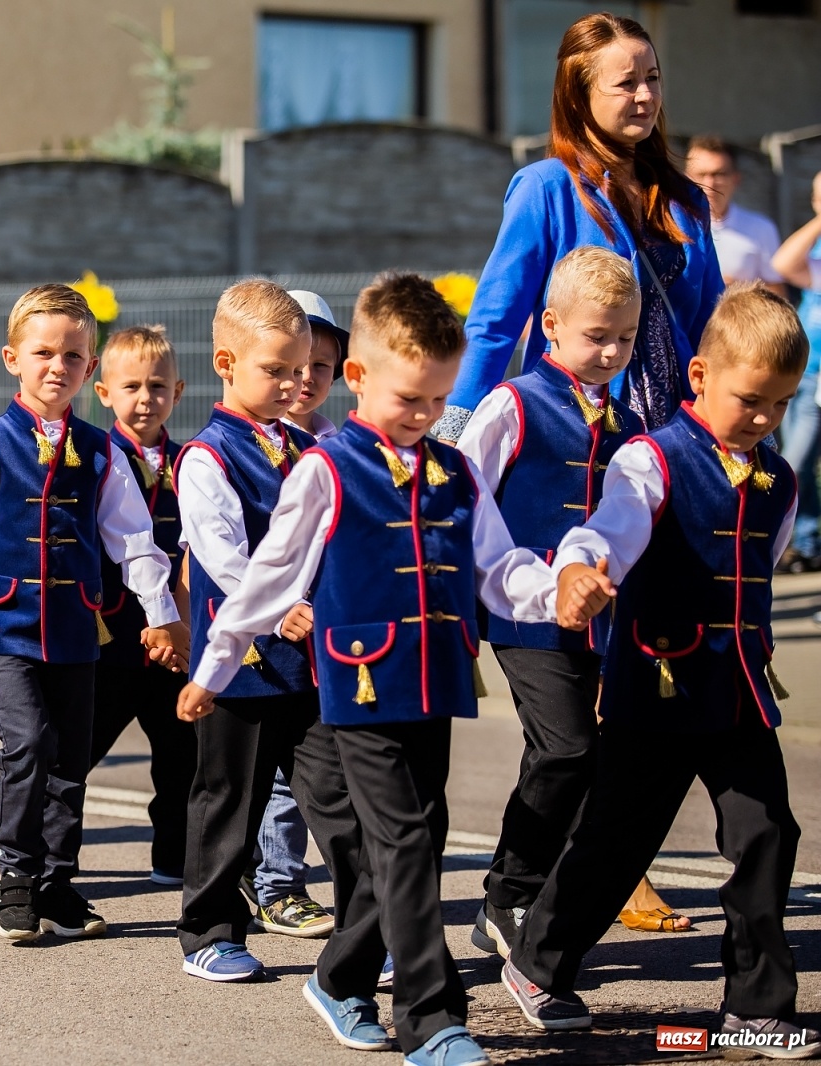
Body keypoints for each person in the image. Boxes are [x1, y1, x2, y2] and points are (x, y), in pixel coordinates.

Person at [180, 274, 572, 1066]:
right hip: (352, 690)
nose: (424, 418)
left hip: (431, 686)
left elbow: (499, 567)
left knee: (419, 840)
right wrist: (214, 668)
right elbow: (262, 578)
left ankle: (338, 975)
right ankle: (433, 1018)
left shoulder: (453, 471)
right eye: (409, 400)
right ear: (357, 377)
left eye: (437, 402)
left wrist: (556, 590)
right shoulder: (326, 467)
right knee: (396, 839)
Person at [502, 285, 818, 1059]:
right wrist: (580, 571)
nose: (763, 419)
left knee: (767, 833)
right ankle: (540, 962)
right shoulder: (651, 458)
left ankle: (756, 1005)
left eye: (780, 405)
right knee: (617, 840)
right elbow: (607, 528)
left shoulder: (779, 478)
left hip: (738, 689)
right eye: (750, 399)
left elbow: (763, 566)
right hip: (657, 685)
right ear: (701, 375)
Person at [0, 287, 186, 941]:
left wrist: (161, 611)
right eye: (42, 353)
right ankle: (14, 877)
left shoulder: (100, 450)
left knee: (68, 757)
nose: (56, 366)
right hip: (3, 626)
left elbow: (131, 540)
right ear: (13, 358)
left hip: (75, 625)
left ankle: (57, 883)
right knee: (27, 743)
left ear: (90, 369)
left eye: (72, 355)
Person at [455, 247, 651, 953]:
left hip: (601, 620)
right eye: (597, 334)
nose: (611, 351)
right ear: (550, 326)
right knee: (565, 747)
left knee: (592, 759)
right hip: (521, 608)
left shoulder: (628, 423)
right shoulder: (512, 403)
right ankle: (507, 896)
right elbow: (463, 491)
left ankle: (532, 898)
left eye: (624, 338)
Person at [439, 12, 722, 441]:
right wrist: (453, 426)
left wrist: (738, 413)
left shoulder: (687, 199)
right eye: (627, 83)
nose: (646, 95)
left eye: (653, 78)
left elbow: (712, 325)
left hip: (680, 434)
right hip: (575, 429)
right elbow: (495, 321)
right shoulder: (544, 189)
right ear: (579, 95)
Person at [170, 279, 339, 982]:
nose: (294, 384)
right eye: (276, 370)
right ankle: (210, 930)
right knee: (227, 798)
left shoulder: (311, 444)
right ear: (226, 363)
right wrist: (278, 609)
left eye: (302, 371)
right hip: (239, 661)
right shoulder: (207, 456)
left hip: (310, 663)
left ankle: (368, 933)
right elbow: (224, 557)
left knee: (337, 799)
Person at [244, 290, 347, 941]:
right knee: (266, 773)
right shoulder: (244, 444)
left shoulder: (341, 443)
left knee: (313, 768)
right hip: (261, 629)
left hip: (326, 627)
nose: (303, 379)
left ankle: (279, 877)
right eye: (289, 364)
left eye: (320, 365)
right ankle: (272, 881)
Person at [79, 324, 194, 888]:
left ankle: (172, 856)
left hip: (172, 636)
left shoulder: (191, 459)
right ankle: (30, 827)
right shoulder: (96, 454)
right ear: (104, 393)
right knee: (82, 744)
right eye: (130, 387)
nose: (144, 399)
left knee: (180, 753)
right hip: (114, 630)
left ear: (178, 390)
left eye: (157, 386)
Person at [772, 169, 821, 575]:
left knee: (795, 462)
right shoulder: (816, 246)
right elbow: (784, 263)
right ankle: (805, 542)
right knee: (798, 463)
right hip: (810, 376)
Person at [684, 136, 785, 293]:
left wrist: (739, 290)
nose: (710, 184)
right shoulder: (671, 226)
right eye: (701, 174)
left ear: (736, 179)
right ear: (686, 178)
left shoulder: (761, 227)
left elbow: (778, 293)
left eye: (719, 174)